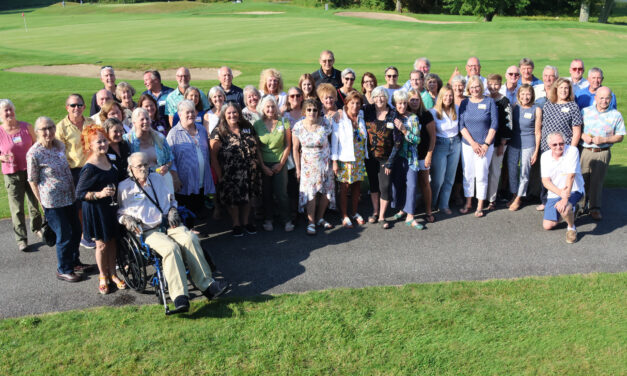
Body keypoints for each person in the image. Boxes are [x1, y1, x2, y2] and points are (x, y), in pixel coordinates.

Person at [118, 152, 227, 313]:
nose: (143, 168)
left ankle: (207, 286)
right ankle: (179, 296)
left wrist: (173, 210)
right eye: (139, 166)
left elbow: (170, 200)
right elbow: (120, 212)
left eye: (146, 165)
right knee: (170, 248)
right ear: (130, 168)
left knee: (190, 238)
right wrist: (126, 220)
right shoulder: (124, 187)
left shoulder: (157, 179)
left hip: (168, 224)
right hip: (148, 231)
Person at [27, 117, 85, 282]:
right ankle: (63, 269)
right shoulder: (34, 153)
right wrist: (41, 202)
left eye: (51, 127)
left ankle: (74, 262)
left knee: (76, 230)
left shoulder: (59, 145)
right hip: (52, 201)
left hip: (69, 196)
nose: (48, 132)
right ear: (37, 132)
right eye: (44, 129)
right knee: (64, 234)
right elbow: (32, 180)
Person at [75, 126, 122, 295]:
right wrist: (100, 194)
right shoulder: (89, 167)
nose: (103, 144)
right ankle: (103, 276)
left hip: (110, 207)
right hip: (96, 210)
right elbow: (79, 193)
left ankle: (113, 274)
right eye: (98, 142)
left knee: (112, 241)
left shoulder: (109, 158)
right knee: (101, 245)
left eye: (104, 140)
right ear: (89, 146)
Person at [210, 103, 262, 237]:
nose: (232, 115)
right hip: (230, 173)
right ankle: (236, 224)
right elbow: (213, 157)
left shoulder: (247, 127)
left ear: (239, 113)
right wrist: (220, 175)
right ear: (224, 115)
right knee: (233, 199)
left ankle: (246, 222)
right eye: (229, 113)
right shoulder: (218, 132)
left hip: (250, 171)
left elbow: (256, 145)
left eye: (234, 112)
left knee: (248, 197)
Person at [0, 99, 43, 251]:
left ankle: (37, 228)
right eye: (5, 111)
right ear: (0, 114)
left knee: (34, 203)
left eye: (10, 109)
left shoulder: (26, 127)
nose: (8, 113)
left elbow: (38, 144)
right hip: (12, 174)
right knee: (17, 209)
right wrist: (2, 157)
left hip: (31, 171)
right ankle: (21, 239)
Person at [167, 100, 215, 233]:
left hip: (200, 175)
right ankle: (187, 229)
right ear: (180, 114)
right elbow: (169, 158)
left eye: (192, 111)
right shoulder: (173, 134)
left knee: (197, 200)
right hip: (184, 179)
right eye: (187, 112)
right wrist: (175, 178)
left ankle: (192, 225)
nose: (190, 115)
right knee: (185, 203)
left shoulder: (201, 129)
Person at [56, 93, 97, 249]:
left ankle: (91, 230)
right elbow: (60, 153)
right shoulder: (61, 128)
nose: (76, 108)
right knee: (79, 204)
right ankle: (83, 234)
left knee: (93, 201)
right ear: (67, 107)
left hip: (93, 168)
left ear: (84, 107)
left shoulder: (91, 122)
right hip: (75, 171)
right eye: (73, 105)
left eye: (79, 105)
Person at [578, 86, 625, 220]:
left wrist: (605, 139)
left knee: (597, 181)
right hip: (586, 150)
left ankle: (594, 208)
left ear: (611, 98)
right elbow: (576, 129)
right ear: (596, 98)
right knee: (582, 179)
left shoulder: (616, 115)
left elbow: (620, 136)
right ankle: (580, 206)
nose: (604, 101)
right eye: (601, 98)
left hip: (602, 151)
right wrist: (583, 135)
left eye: (607, 98)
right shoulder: (585, 111)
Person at [537, 77, 583, 210]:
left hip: (564, 149)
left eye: (566, 88)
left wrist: (572, 150)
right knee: (547, 175)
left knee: (563, 177)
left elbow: (576, 131)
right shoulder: (548, 104)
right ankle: (545, 201)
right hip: (547, 148)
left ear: (569, 91)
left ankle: (565, 202)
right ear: (556, 89)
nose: (564, 90)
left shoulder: (573, 106)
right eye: (561, 88)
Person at [292, 99, 335, 235]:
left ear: (318, 111)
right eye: (309, 110)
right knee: (311, 192)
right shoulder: (298, 126)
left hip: (325, 164)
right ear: (304, 111)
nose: (312, 112)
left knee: (326, 192)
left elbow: (332, 142)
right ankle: (311, 222)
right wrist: (298, 168)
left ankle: (320, 218)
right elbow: (295, 148)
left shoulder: (326, 124)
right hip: (308, 166)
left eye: (315, 110)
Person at [458, 76, 498, 217]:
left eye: (477, 86)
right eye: (472, 87)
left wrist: (486, 144)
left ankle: (480, 205)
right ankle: (468, 202)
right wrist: (473, 143)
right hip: (468, 145)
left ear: (481, 87)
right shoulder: (465, 103)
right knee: (468, 174)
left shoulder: (489, 102)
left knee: (481, 175)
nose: (475, 89)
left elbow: (494, 125)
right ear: (469, 88)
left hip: (485, 146)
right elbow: (461, 126)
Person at [253, 96, 293, 232]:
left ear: (276, 107)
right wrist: (263, 166)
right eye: (267, 107)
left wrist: (281, 164)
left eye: (273, 106)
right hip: (264, 163)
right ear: (263, 109)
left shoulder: (284, 122)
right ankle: (268, 219)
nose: (270, 109)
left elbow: (288, 144)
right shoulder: (257, 124)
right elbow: (257, 148)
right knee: (267, 193)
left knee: (282, 193)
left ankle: (287, 219)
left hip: (279, 162)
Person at [363, 87, 400, 228]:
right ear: (372, 98)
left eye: (382, 96)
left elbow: (397, 141)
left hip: (386, 157)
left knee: (384, 186)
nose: (379, 99)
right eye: (376, 96)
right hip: (370, 156)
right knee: (373, 184)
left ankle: (383, 217)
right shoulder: (367, 111)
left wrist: (390, 162)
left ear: (386, 98)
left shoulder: (393, 114)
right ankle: (375, 211)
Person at [540, 132, 585, 244]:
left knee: (564, 208)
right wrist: (560, 193)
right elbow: (545, 181)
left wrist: (564, 199)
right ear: (549, 145)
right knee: (548, 225)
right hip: (556, 192)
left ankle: (571, 228)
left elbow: (571, 176)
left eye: (561, 143)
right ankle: (573, 210)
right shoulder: (545, 156)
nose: (558, 147)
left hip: (574, 189)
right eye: (554, 144)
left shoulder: (572, 151)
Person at [332, 91, 367, 228]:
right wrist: (334, 161)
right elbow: (334, 142)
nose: (355, 106)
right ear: (346, 104)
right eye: (352, 103)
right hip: (345, 159)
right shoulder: (339, 119)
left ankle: (354, 212)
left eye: (358, 103)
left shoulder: (361, 116)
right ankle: (344, 215)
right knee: (344, 188)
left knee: (357, 186)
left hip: (359, 158)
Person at [389, 90, 423, 229]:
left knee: (412, 184)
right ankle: (402, 209)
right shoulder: (392, 116)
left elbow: (417, 140)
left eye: (404, 103)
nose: (402, 106)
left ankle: (411, 215)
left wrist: (404, 131)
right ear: (395, 104)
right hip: (396, 158)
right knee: (398, 185)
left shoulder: (413, 118)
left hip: (410, 157)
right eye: (399, 103)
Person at [125, 108, 178, 194]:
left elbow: (170, 159)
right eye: (142, 119)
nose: (145, 121)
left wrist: (166, 167)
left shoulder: (160, 137)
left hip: (162, 178)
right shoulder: (128, 140)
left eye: (147, 118)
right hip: (140, 182)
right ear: (134, 123)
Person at [506, 84, 542, 211]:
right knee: (512, 170)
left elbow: (538, 132)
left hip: (529, 143)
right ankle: (514, 194)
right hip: (514, 143)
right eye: (523, 94)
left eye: (528, 94)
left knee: (524, 172)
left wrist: (536, 151)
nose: (525, 97)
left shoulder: (536, 109)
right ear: (519, 95)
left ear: (532, 95)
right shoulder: (515, 107)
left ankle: (518, 198)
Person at [429, 86, 461, 215]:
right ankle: (431, 203)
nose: (448, 98)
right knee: (438, 180)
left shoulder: (457, 109)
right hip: (440, 145)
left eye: (450, 96)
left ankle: (444, 204)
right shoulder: (433, 112)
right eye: (445, 96)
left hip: (456, 144)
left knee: (449, 178)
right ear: (440, 97)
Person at [407, 88, 436, 223]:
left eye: (416, 99)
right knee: (410, 184)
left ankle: (428, 210)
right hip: (408, 156)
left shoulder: (426, 115)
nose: (414, 102)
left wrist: (429, 155)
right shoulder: (404, 114)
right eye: (411, 99)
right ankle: (408, 210)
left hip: (423, 155)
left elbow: (433, 137)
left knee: (425, 182)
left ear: (420, 101)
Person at [485, 74, 513, 210]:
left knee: (495, 171)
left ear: (500, 85)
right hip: (485, 142)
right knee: (484, 170)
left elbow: (508, 124)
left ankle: (492, 199)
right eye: (490, 84)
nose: (493, 87)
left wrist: (503, 143)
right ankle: (482, 197)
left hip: (498, 143)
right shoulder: (484, 99)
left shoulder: (504, 101)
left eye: (496, 84)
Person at [103, 118, 131, 183]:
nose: (119, 134)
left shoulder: (125, 145)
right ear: (106, 132)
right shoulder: (104, 149)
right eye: (115, 131)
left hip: (128, 183)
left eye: (121, 131)